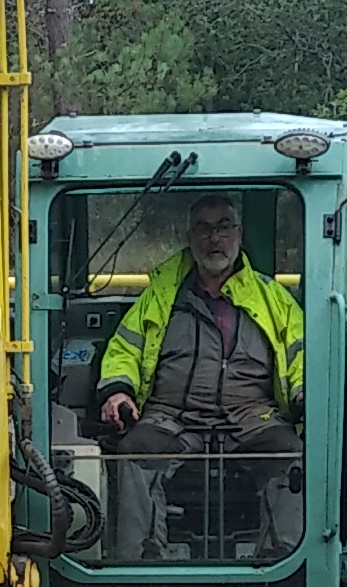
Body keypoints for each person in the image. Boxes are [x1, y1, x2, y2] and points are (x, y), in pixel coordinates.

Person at [91, 194, 305, 559]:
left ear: (238, 234)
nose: (214, 238)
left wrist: (303, 394)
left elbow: (300, 355)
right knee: (132, 453)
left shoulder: (274, 298)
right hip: (171, 415)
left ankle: (284, 558)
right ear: (189, 237)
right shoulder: (160, 295)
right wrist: (118, 392)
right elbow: (125, 349)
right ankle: (139, 563)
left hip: (253, 416)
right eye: (204, 229)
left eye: (223, 227)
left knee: (292, 454)